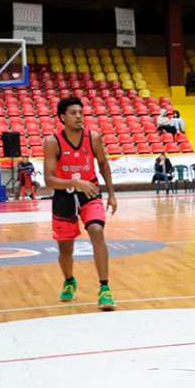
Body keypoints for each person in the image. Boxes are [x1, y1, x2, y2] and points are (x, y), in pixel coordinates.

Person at [42, 97, 117, 310]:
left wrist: (111, 194)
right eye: (73, 113)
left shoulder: (93, 138)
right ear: (62, 117)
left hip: (90, 191)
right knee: (66, 248)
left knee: (96, 230)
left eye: (80, 113)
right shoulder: (52, 142)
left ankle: (105, 288)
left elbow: (103, 164)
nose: (78, 117)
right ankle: (69, 280)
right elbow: (48, 181)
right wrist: (74, 182)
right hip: (64, 195)